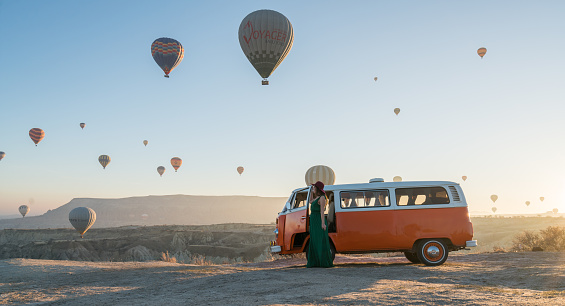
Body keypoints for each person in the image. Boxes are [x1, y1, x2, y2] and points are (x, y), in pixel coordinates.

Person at [307, 181, 334, 268]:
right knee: (314, 240)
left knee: (320, 241)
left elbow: (322, 211)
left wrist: (323, 224)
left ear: (318, 189)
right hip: (314, 221)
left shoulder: (322, 198)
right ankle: (316, 262)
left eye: (314, 188)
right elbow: (310, 201)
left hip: (319, 221)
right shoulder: (316, 198)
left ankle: (322, 262)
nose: (313, 189)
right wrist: (311, 192)